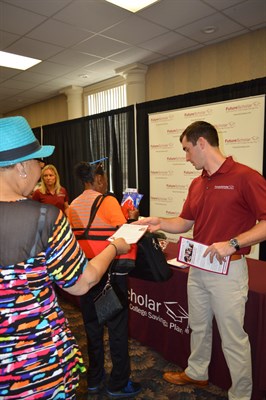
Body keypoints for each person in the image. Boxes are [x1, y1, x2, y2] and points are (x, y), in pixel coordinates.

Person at [0, 116, 130, 400]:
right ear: (21, 166)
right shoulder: (44, 218)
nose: (41, 169)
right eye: (38, 162)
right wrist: (114, 247)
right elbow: (81, 282)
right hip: (35, 360)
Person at [134, 121, 266, 400]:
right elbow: (184, 223)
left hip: (228, 271)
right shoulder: (197, 183)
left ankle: (241, 394)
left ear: (202, 143)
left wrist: (233, 243)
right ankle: (197, 371)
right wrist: (159, 222)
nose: (185, 157)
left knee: (233, 337)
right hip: (197, 267)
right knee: (199, 324)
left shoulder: (245, 177)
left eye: (187, 149)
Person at [68, 161, 141, 399]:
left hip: (86, 276)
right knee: (117, 329)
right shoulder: (108, 201)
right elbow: (125, 237)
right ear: (98, 180)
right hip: (110, 276)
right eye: (105, 178)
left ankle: (94, 378)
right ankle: (118, 383)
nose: (106, 183)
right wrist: (132, 219)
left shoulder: (73, 205)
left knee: (92, 328)